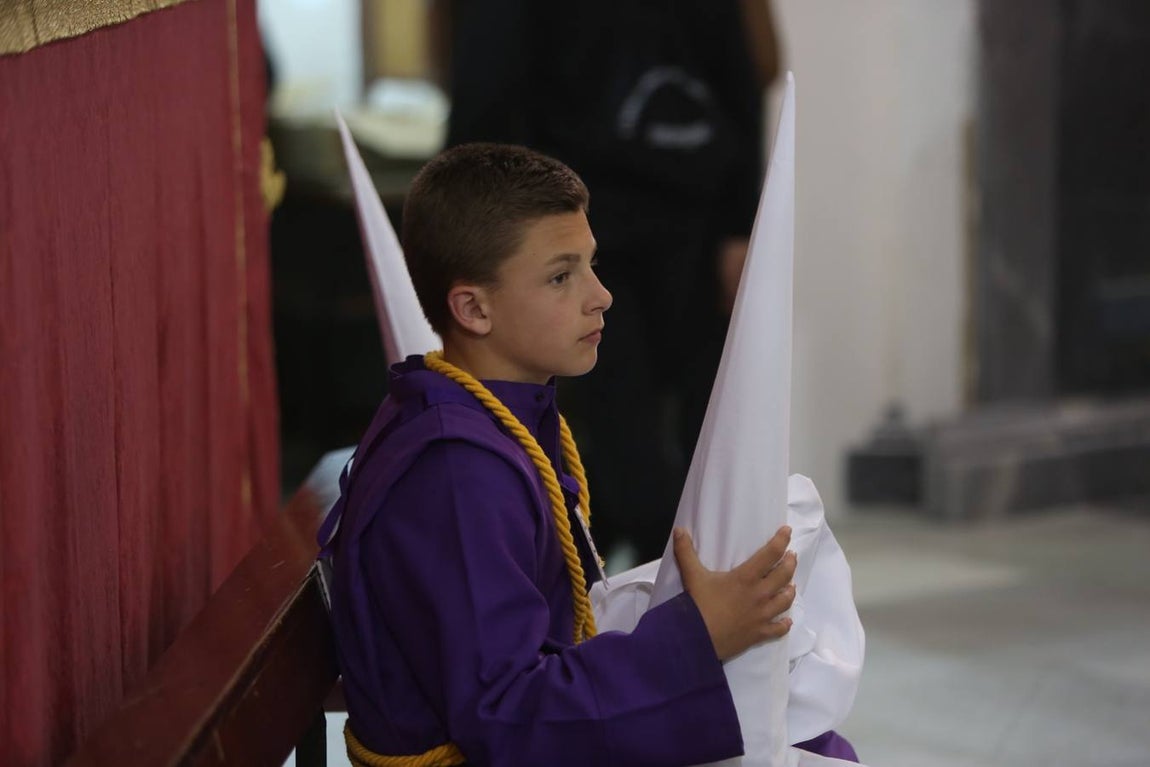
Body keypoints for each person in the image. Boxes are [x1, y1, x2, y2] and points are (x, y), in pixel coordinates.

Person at [319, 143, 804, 766]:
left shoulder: (490, 417)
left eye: (592, 265)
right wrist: (696, 636)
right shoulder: (455, 473)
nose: (599, 296)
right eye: (560, 276)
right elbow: (508, 712)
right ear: (472, 308)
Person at [443, 0, 781, 562]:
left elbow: (741, 77)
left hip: (686, 215)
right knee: (623, 425)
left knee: (696, 428)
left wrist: (741, 226)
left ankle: (679, 586)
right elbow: (489, 88)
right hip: (582, 223)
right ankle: (656, 591)